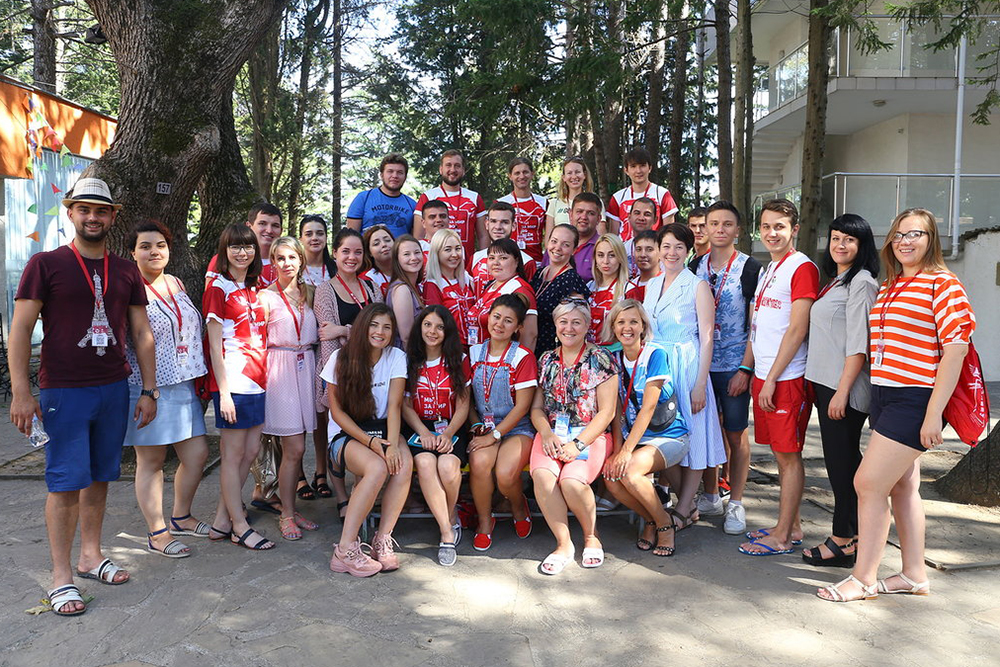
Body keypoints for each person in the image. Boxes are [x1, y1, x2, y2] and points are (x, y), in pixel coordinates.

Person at [10, 178, 156, 615]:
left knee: (99, 477)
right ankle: (61, 577)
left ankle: (91, 556)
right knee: (65, 482)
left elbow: (141, 333)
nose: (93, 217)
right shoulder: (46, 264)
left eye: (101, 210)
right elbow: (21, 330)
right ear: (71, 212)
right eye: (85, 209)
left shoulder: (125, 270)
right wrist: (21, 392)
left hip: (113, 387)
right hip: (64, 390)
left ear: (113, 216)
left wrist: (148, 390)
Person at [819, 209, 975, 601]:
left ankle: (863, 579)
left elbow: (955, 352)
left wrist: (934, 413)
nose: (905, 242)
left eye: (915, 234)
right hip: (884, 395)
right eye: (899, 235)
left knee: (867, 483)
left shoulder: (943, 284)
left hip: (916, 397)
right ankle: (914, 575)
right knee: (903, 487)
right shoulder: (891, 285)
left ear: (931, 239)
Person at [737, 199, 818, 557]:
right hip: (765, 374)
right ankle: (791, 525)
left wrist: (771, 378)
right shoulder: (769, 268)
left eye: (780, 227)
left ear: (794, 229)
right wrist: (753, 370)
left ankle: (783, 536)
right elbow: (759, 325)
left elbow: (798, 329)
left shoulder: (802, 267)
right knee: (779, 453)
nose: (772, 233)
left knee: (788, 456)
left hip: (786, 377)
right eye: (766, 226)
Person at [125, 220, 210, 559]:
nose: (154, 251)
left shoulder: (175, 282)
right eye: (145, 246)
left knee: (197, 454)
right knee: (152, 460)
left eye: (160, 245)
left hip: (184, 382)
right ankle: (157, 532)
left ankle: (181, 516)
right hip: (149, 386)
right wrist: (148, 391)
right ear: (133, 253)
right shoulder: (129, 288)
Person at [803, 214, 880, 567]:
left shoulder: (861, 282)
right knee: (843, 464)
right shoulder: (838, 281)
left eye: (849, 239)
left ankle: (842, 540)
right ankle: (855, 536)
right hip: (827, 384)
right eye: (835, 238)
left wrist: (842, 391)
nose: (840, 244)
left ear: (862, 246)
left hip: (842, 387)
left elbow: (859, 343)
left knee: (842, 466)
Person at [643, 223, 727, 533]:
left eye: (679, 247)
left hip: (687, 364)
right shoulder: (652, 284)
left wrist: (700, 383)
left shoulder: (697, 285)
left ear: (689, 251)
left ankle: (683, 507)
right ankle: (688, 505)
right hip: (658, 366)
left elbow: (707, 338)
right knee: (664, 433)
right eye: (666, 246)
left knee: (694, 436)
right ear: (658, 249)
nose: (672, 252)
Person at [687, 201, 763, 535]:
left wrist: (745, 369)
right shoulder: (695, 266)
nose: (719, 229)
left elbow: (756, 325)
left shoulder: (751, 268)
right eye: (713, 223)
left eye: (727, 224)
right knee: (705, 429)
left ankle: (737, 502)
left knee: (735, 432)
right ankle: (710, 495)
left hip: (734, 365)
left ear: (738, 230)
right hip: (701, 364)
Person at [323, 303, 413, 577]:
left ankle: (382, 539)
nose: (379, 332)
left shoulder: (396, 356)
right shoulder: (340, 358)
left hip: (384, 429)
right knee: (376, 467)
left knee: (403, 464)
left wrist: (393, 445)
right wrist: (371, 443)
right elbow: (337, 412)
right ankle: (345, 549)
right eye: (374, 325)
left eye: (386, 327)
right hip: (347, 433)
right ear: (363, 327)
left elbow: (395, 406)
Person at [530, 298, 618, 575]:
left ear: (587, 325)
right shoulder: (546, 359)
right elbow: (536, 408)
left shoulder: (601, 358)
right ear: (555, 324)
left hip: (589, 434)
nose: (569, 328)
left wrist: (578, 444)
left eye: (576, 322)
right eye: (563, 322)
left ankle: (591, 536)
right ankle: (563, 544)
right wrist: (546, 434)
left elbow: (607, 412)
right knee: (543, 476)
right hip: (552, 433)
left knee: (571, 481)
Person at [203, 224, 273, 551]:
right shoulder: (217, 287)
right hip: (232, 380)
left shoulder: (256, 287)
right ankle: (239, 525)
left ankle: (222, 519)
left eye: (247, 246)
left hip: (258, 379)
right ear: (224, 250)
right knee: (232, 456)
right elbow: (214, 346)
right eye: (235, 246)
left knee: (251, 451)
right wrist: (224, 393)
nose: (242, 252)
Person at [602, 300, 690, 557]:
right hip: (635, 438)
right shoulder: (613, 359)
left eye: (633, 322)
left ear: (643, 326)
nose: (627, 327)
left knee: (629, 472)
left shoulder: (655, 355)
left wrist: (625, 452)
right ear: (613, 327)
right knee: (611, 477)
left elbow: (649, 408)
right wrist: (617, 451)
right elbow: (616, 412)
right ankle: (653, 519)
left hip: (668, 436)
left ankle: (664, 527)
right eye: (621, 322)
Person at [314, 228, 382, 514]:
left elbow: (381, 331)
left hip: (373, 372)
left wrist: (344, 330)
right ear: (335, 254)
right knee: (338, 432)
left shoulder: (372, 288)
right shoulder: (324, 291)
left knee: (365, 431)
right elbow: (327, 340)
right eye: (345, 251)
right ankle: (342, 497)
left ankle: (361, 490)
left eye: (357, 252)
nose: (352, 257)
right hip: (339, 373)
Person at [467, 294, 539, 551]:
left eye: (508, 321)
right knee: (479, 463)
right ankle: (485, 521)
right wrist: (475, 425)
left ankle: (518, 506)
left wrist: (494, 435)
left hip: (516, 427)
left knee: (506, 475)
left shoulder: (523, 356)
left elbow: (522, 407)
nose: (499, 324)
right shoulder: (473, 352)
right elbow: (466, 399)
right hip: (484, 425)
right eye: (496, 317)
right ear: (488, 317)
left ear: (518, 327)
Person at [260, 237, 321, 541]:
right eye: (280, 258)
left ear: (301, 260)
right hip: (279, 370)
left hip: (305, 365)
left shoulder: (311, 293)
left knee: (299, 448)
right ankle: (285, 514)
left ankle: (291, 509)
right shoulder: (265, 297)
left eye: (292, 257)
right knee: (293, 448)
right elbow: (256, 341)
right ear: (273, 262)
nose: (287, 263)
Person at [402, 306, 472, 566]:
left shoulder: (459, 359)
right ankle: (446, 530)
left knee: (447, 466)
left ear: (447, 331)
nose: (432, 331)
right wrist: (423, 432)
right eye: (427, 325)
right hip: (419, 427)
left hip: (451, 426)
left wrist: (449, 433)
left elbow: (463, 405)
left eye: (440, 327)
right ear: (419, 327)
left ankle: (450, 513)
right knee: (425, 462)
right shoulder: (409, 360)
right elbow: (405, 405)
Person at [414, 149, 486, 262]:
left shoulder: (475, 197)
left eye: (457, 166)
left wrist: (483, 261)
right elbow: (418, 236)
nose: (452, 170)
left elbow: (483, 236)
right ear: (441, 169)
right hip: (435, 262)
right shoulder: (428, 196)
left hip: (466, 262)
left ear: (463, 170)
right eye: (448, 165)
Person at [467, 238, 538, 350]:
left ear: (516, 261)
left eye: (503, 258)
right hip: (479, 354)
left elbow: (530, 335)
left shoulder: (521, 289)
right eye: (491, 258)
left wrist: (515, 360)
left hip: (502, 358)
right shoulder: (491, 285)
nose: (496, 263)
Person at [531, 224, 591, 355]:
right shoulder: (540, 273)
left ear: (574, 250)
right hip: (532, 345)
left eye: (565, 245)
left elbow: (577, 323)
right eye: (554, 241)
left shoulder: (571, 280)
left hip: (554, 350)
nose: (557, 247)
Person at [606, 147, 678, 242]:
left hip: (653, 248)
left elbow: (669, 233)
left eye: (642, 165)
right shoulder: (618, 197)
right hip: (624, 249)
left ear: (650, 168)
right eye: (633, 166)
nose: (638, 171)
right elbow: (613, 236)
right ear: (626, 170)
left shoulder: (662, 194)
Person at [206, 202, 283, 288]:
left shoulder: (287, 262)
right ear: (249, 226)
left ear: (281, 230)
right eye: (262, 223)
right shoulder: (224, 259)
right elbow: (211, 294)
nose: (269, 230)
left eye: (275, 226)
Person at [470, 201, 537, 296]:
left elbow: (527, 297)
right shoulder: (475, 258)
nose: (498, 227)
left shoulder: (526, 262)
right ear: (487, 224)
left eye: (504, 222)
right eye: (493, 221)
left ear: (513, 226)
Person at [424, 229, 476, 347]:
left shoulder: (466, 278)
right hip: (452, 348)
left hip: (475, 345)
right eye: (448, 250)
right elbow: (435, 323)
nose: (454, 254)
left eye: (457, 249)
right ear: (436, 253)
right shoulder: (433, 284)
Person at [346, 153, 417, 238]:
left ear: (405, 177)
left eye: (400, 172)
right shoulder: (363, 199)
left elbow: (416, 239)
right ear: (382, 175)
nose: (395, 176)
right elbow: (351, 237)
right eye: (390, 171)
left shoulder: (412, 205)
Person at [498, 157, 547, 262]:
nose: (522, 176)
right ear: (510, 176)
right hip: (510, 262)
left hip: (537, 261)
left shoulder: (543, 202)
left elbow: (549, 235)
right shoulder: (501, 203)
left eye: (525, 172)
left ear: (532, 174)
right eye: (517, 173)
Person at [588, 234, 629, 344]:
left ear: (620, 258)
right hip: (588, 350)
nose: (605, 261)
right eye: (600, 255)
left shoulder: (628, 289)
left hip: (616, 351)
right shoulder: (588, 287)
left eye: (612, 255)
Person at [386, 234, 425, 349]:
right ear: (397, 259)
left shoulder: (414, 286)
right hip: (408, 354)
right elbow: (406, 338)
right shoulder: (402, 290)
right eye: (406, 254)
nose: (414, 258)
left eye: (417, 252)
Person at [545, 157, 596, 237]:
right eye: (569, 173)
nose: (574, 176)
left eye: (577, 172)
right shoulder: (554, 204)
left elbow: (601, 234)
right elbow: (549, 238)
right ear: (564, 178)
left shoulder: (595, 202)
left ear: (584, 175)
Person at [566, 192, 602, 283]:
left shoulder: (603, 247)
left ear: (599, 219)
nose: (584, 217)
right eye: (579, 211)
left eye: (591, 213)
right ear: (570, 215)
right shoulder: (555, 245)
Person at [298, 214, 337, 288]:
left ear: (326, 237)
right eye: (309, 234)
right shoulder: (294, 268)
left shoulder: (337, 268)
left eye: (320, 234)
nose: (314, 238)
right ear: (301, 239)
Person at [624, 197, 659, 275]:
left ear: (655, 219)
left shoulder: (662, 247)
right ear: (629, 217)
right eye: (637, 213)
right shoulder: (623, 248)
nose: (641, 218)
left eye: (647, 214)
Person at [360, 224, 394, 300]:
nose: (384, 244)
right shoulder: (367, 279)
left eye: (387, 240)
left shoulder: (408, 269)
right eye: (376, 244)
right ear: (369, 252)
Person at [625, 230, 661, 301]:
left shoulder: (666, 284)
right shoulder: (628, 286)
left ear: (661, 253)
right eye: (638, 249)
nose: (643, 255)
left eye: (649, 249)